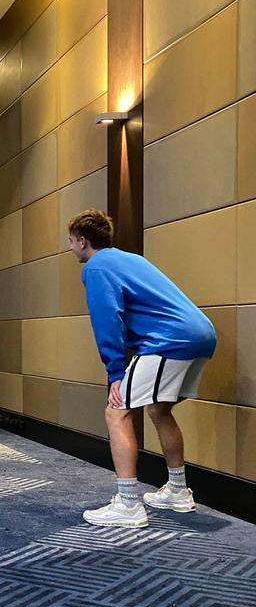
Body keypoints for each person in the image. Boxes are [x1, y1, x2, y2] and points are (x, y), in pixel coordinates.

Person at [68, 209, 217, 528]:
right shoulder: (127, 259)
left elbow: (108, 320)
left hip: (170, 340)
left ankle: (128, 504)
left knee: (117, 410)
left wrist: (115, 374)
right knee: (158, 409)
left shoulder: (96, 267)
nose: (70, 248)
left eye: (70, 242)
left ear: (82, 241)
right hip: (201, 335)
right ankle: (177, 491)